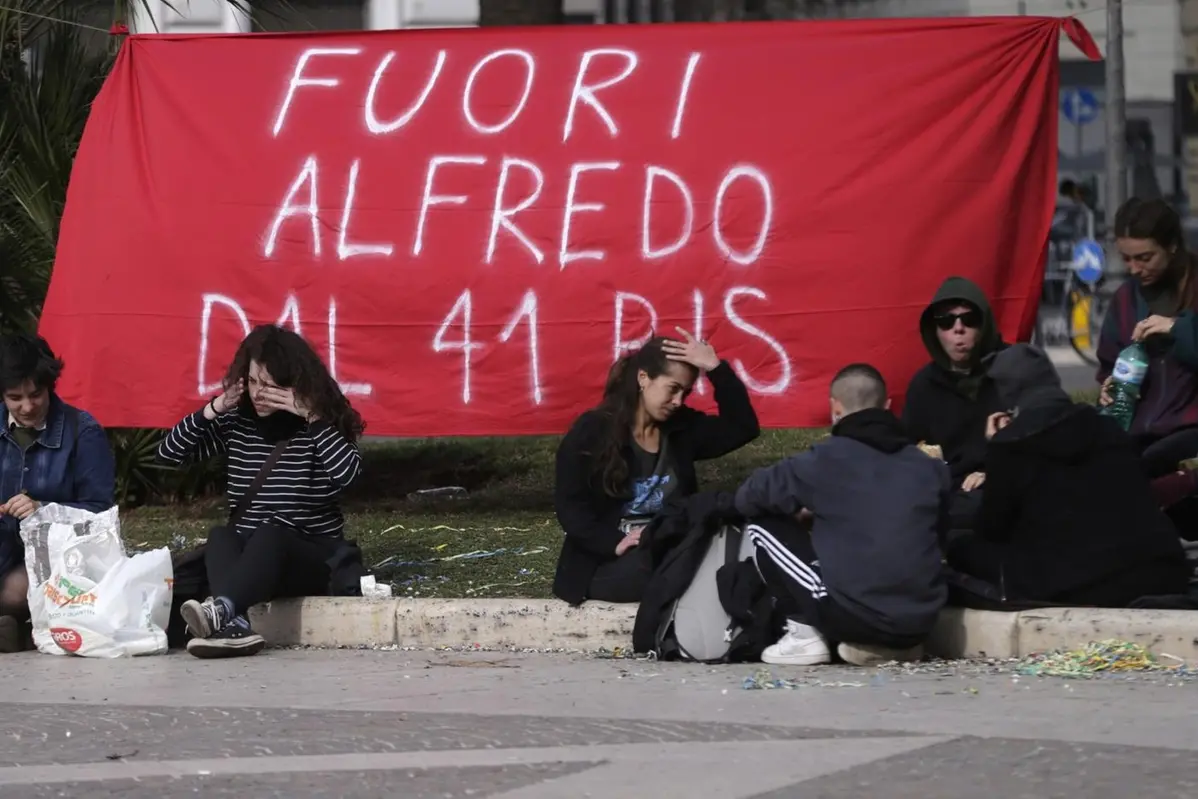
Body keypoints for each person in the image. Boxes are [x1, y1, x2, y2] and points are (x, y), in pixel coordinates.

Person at [158, 325, 364, 658]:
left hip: (308, 555)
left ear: (292, 383)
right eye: (253, 382)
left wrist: (311, 416)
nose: (258, 394)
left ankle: (222, 611)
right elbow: (169, 454)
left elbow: (348, 476)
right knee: (221, 536)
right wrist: (214, 409)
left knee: (271, 534)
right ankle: (233, 621)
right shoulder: (238, 421)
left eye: (269, 385)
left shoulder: (322, 422)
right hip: (251, 560)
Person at [735, 364, 948, 667]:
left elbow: (748, 498)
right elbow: (936, 536)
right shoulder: (928, 467)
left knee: (761, 526)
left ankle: (803, 636)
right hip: (921, 621)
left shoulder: (821, 461)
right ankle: (895, 645)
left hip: (856, 618)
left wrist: (804, 510)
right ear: (887, 407)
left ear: (834, 408)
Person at [948, 344, 1189, 606]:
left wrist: (997, 445)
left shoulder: (1011, 446)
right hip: (1158, 568)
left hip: (1079, 583)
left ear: (1009, 396)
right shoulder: (1107, 427)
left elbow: (992, 529)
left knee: (959, 546)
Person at [553, 329, 760, 606]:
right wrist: (613, 542)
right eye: (672, 389)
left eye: (684, 393)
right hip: (612, 562)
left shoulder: (681, 428)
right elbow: (571, 506)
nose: (678, 401)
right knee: (665, 567)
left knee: (734, 548)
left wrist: (715, 369)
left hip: (673, 547)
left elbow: (742, 427)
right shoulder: (592, 431)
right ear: (643, 379)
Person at [0, 333, 115, 653]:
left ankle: (15, 624)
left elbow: (100, 512)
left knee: (15, 591)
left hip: (59, 555)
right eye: (14, 397)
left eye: (35, 395)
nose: (26, 406)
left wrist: (43, 509)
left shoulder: (83, 431)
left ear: (50, 385)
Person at [1097, 198, 1198, 536]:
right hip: (1140, 430)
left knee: (1146, 469)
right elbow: (1109, 361)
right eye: (1126, 259)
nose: (1134, 269)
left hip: (1188, 432)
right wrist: (1109, 385)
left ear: (1172, 246)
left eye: (1144, 257)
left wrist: (1178, 330)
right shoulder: (1126, 298)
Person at [903, 276, 1006, 530]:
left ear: (984, 326)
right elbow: (905, 450)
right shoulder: (924, 385)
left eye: (969, 320)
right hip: (949, 491)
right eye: (946, 322)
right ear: (934, 330)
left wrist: (995, 473)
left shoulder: (1014, 370)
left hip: (1007, 483)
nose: (958, 329)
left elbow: (1047, 436)